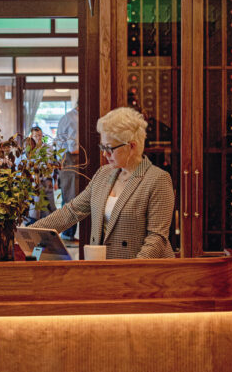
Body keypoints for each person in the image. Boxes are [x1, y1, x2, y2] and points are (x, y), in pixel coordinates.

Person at [32, 106, 175, 259]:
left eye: (109, 148)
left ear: (132, 146)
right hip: (104, 268)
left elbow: (156, 239)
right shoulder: (103, 173)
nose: (104, 153)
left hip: (140, 274)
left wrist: (132, 271)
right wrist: (32, 232)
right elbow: (71, 212)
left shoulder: (158, 179)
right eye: (102, 146)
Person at [55, 100, 79, 240]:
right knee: (72, 198)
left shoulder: (68, 116)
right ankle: (67, 234)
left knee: (69, 197)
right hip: (70, 160)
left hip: (66, 161)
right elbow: (73, 149)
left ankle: (68, 233)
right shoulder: (73, 118)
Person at [24, 125, 55, 220]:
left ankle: (49, 222)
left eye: (40, 135)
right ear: (31, 137)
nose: (38, 138)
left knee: (48, 204)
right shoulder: (28, 149)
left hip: (45, 179)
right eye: (36, 136)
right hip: (33, 180)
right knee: (33, 205)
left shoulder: (47, 148)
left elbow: (48, 163)